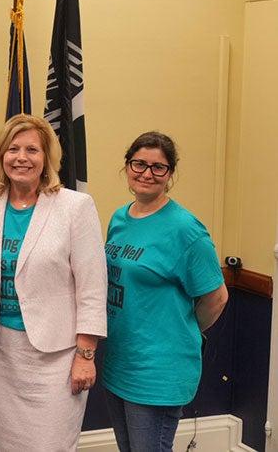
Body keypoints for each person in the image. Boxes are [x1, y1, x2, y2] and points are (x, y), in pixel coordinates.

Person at [0, 114, 107, 451]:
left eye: (32, 149)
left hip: (55, 358)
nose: (22, 157)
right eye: (13, 149)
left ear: (47, 159)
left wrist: (86, 355)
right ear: (2, 156)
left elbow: (92, 287)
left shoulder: (75, 207)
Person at [103, 131, 228, 451]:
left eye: (158, 167)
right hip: (119, 362)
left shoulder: (185, 229)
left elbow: (216, 298)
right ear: (127, 167)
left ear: (170, 174)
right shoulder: (119, 218)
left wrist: (180, 332)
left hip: (158, 372)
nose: (147, 173)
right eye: (139, 164)